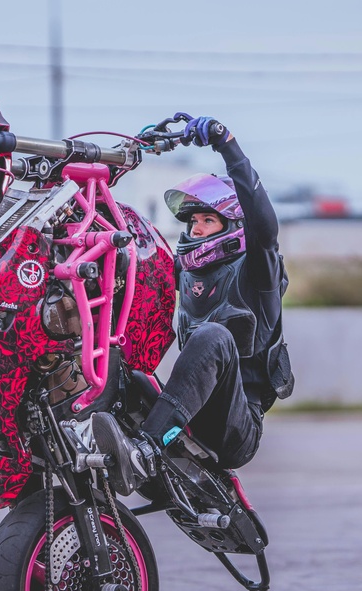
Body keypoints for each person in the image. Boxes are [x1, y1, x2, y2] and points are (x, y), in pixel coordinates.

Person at [93, 114, 290, 492]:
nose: (196, 229)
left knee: (213, 335)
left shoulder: (256, 271)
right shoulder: (184, 271)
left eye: (207, 220)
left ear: (233, 225)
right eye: (193, 221)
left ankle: (146, 452)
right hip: (190, 412)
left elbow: (263, 224)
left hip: (236, 429)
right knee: (127, 372)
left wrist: (225, 142)